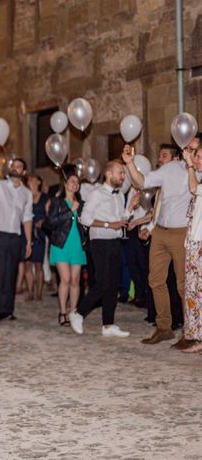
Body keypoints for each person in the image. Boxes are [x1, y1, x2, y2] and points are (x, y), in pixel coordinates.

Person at [123, 135, 201, 345]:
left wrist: (193, 166)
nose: (190, 153)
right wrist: (130, 163)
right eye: (188, 148)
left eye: (194, 150)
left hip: (183, 233)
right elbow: (142, 181)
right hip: (160, 231)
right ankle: (164, 327)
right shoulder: (170, 169)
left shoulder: (200, 171)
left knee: (184, 285)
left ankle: (190, 332)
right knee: (155, 280)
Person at [68, 160, 130, 337]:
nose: (123, 176)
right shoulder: (96, 194)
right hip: (100, 242)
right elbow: (85, 219)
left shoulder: (119, 196)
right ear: (109, 174)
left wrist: (130, 208)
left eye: (124, 173)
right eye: (120, 172)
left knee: (113, 285)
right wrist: (109, 224)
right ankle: (78, 313)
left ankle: (108, 325)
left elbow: (120, 219)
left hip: (115, 242)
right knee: (102, 283)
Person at [0, 158, 33, 320]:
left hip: (16, 236)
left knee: (11, 273)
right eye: (14, 165)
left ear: (23, 172)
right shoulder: (0, 185)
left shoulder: (27, 193)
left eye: (19, 166)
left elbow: (27, 218)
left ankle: (7, 310)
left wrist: (29, 241)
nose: (16, 168)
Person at [48, 171, 86, 326]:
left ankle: (73, 312)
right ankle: (62, 312)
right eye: (72, 181)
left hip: (77, 244)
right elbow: (52, 221)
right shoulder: (57, 201)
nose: (74, 184)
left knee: (76, 280)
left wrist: (85, 223)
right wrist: (71, 211)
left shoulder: (82, 204)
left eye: (77, 182)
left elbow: (85, 223)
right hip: (61, 244)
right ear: (65, 184)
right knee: (66, 279)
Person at [181, 144, 202, 352]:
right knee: (195, 293)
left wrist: (188, 165)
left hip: (201, 244)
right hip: (195, 243)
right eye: (197, 157)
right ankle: (198, 337)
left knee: (200, 292)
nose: (197, 161)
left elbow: (193, 188)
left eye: (200, 157)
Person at [24, 174, 49, 301]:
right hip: (27, 232)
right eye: (29, 179)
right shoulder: (24, 195)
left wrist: (43, 221)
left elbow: (50, 215)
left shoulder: (45, 198)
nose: (30, 181)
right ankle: (30, 292)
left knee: (39, 264)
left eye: (33, 178)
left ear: (39, 181)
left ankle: (39, 293)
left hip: (39, 234)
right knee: (27, 264)